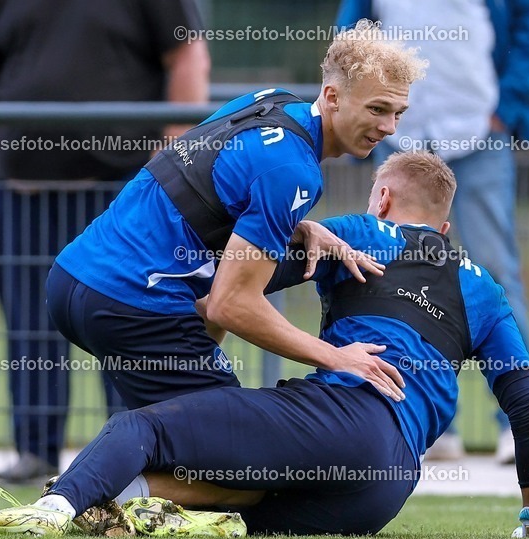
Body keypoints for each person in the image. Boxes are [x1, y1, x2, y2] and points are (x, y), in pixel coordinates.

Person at [0, 151, 529, 539]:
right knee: (233, 500)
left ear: (382, 198)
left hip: (344, 420)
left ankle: (52, 508)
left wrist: (184, 328)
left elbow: (232, 285)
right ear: (445, 226)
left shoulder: (363, 233)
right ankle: (118, 505)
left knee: (143, 426)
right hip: (383, 489)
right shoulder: (488, 292)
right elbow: (527, 411)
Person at [42, 20, 425, 427]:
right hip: (131, 303)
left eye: (398, 113)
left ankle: (122, 460)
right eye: (377, 109)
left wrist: (300, 228)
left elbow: (210, 192)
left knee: (175, 437)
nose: (389, 127)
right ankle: (99, 472)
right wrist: (337, 357)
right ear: (332, 97)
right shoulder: (294, 172)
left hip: (71, 278)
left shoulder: (271, 102)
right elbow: (230, 304)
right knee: (231, 443)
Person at [0, 0, 211, 486]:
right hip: (24, 192)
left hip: (125, 194)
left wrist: (175, 153)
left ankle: (138, 454)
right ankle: (35, 453)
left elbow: (188, 56)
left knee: (131, 321)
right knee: (30, 327)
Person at [337, 0, 529, 464]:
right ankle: (420, 424)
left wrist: (506, 105)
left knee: (495, 273)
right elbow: (352, 32)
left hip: (478, 129)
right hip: (398, 134)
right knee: (389, 273)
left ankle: (519, 428)